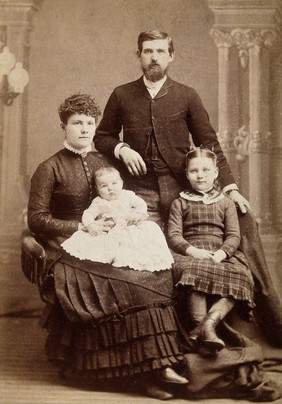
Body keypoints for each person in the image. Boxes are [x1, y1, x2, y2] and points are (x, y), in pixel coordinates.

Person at [27, 93, 190, 401]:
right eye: (77, 123)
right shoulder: (49, 168)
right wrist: (81, 226)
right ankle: (142, 376)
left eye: (90, 123)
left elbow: (126, 200)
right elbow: (36, 219)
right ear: (63, 126)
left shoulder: (106, 163)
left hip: (112, 242)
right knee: (128, 283)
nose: (85, 129)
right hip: (69, 247)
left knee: (151, 277)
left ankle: (157, 366)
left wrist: (131, 218)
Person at [94, 29, 250, 228]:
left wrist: (231, 188)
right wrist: (122, 150)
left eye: (160, 51)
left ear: (171, 56)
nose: (154, 57)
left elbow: (209, 143)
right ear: (139, 55)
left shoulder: (187, 96)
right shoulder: (122, 94)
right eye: (148, 51)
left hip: (182, 190)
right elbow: (102, 137)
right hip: (138, 192)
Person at [167, 147, 255, 354]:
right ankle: (203, 327)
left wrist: (223, 253)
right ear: (187, 174)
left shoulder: (225, 203)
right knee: (194, 271)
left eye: (206, 170)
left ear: (215, 173)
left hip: (219, 252)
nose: (200, 175)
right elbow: (174, 235)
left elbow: (233, 235)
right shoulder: (179, 202)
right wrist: (191, 251)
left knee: (241, 275)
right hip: (190, 252)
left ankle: (207, 326)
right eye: (194, 171)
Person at [61, 165, 174, 271]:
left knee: (149, 231)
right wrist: (91, 225)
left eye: (114, 183)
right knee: (102, 245)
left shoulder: (127, 195)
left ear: (121, 183)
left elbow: (141, 204)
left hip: (130, 227)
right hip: (111, 231)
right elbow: (88, 214)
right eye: (104, 186)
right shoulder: (99, 202)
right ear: (97, 189)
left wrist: (137, 214)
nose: (110, 188)